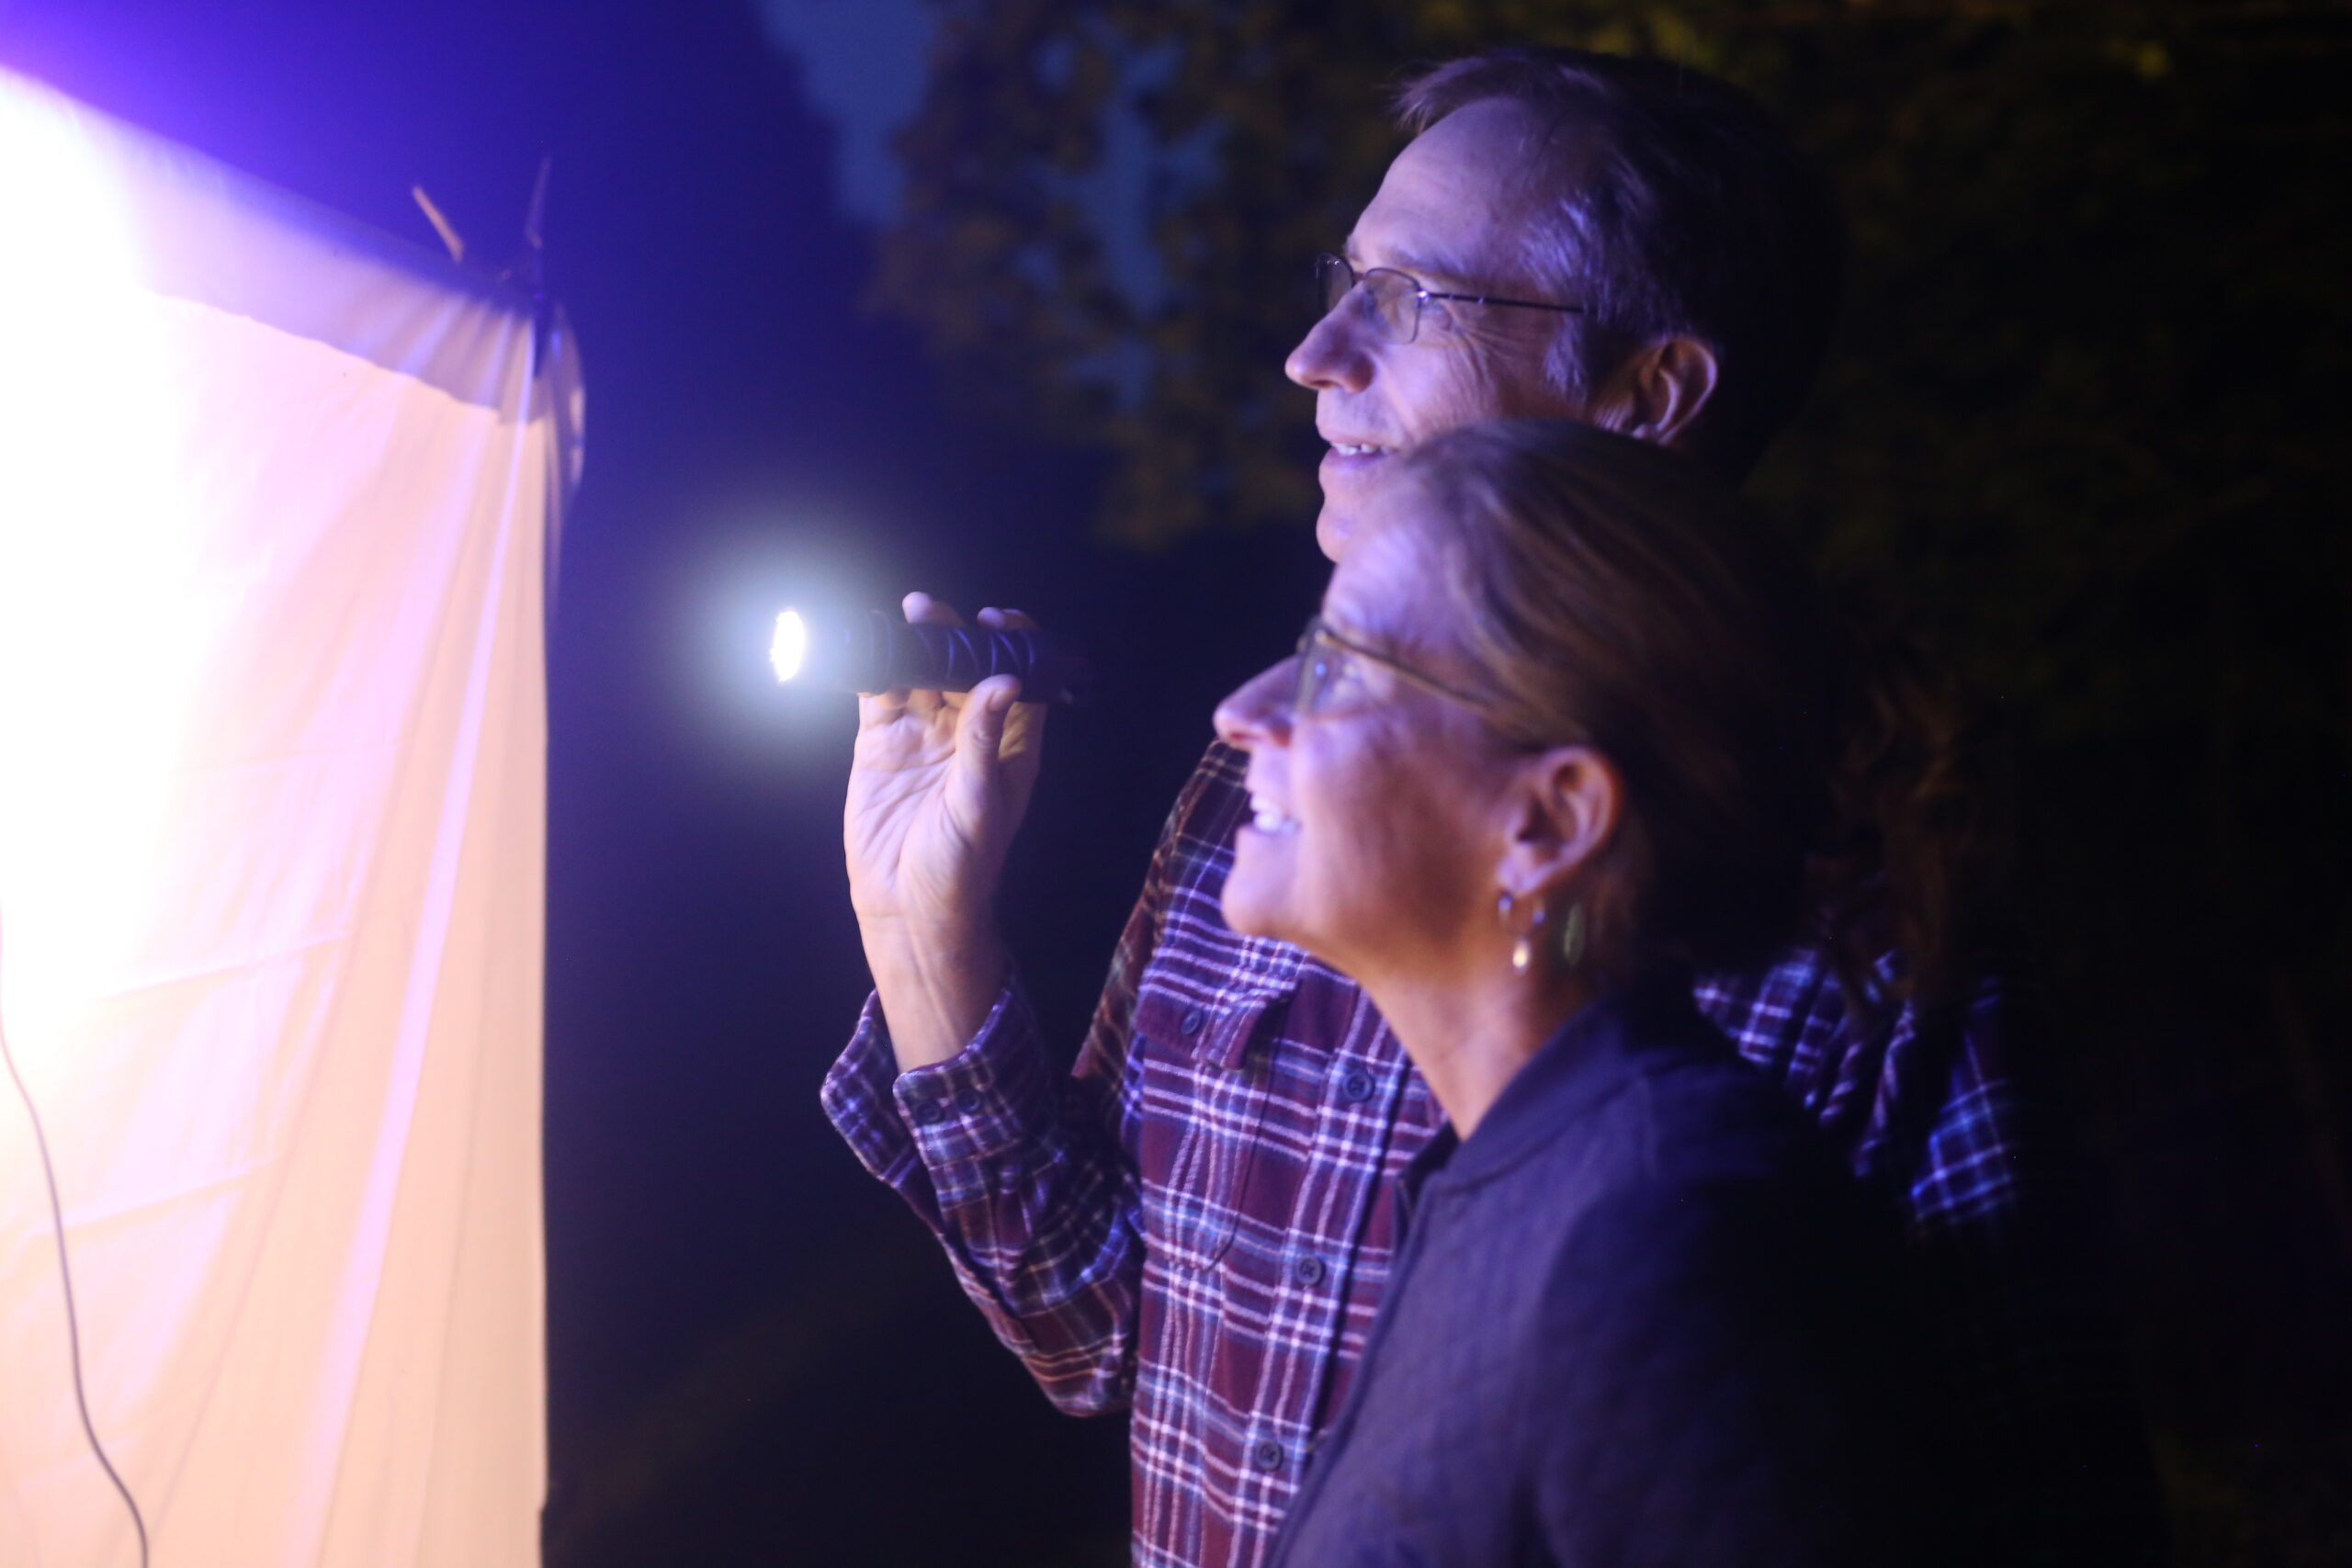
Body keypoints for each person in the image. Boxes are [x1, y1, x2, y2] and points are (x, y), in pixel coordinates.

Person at [823, 45, 2154, 1568]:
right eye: (1344, 283)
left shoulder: (1865, 935)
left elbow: (2047, 1507)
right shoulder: (1269, 804)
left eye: (1413, 299)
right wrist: (925, 933)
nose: (1313, 353)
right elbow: (1095, 1329)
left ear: (1651, 392)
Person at [1229, 417, 1949, 1568]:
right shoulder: (1518, 1186)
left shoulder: (1659, 1234)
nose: (1245, 712)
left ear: (1549, 821)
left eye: (1337, 664)